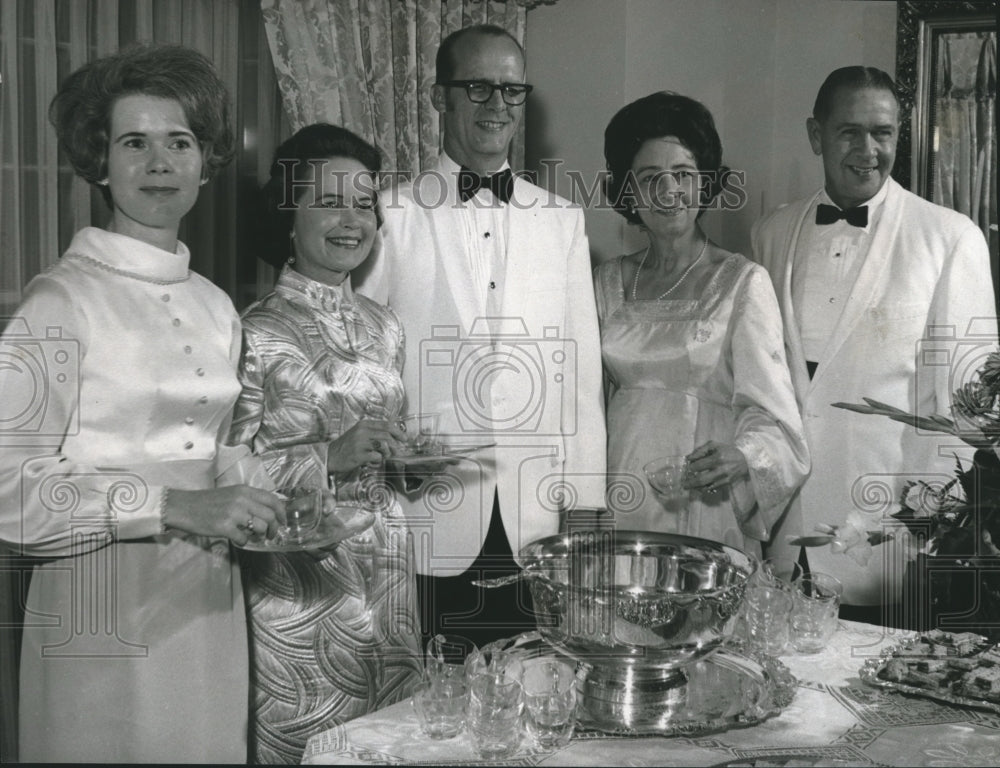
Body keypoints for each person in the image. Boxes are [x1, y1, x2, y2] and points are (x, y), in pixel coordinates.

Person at [0, 45, 286, 763]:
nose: (159, 162)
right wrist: (169, 508)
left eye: (179, 142)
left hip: (207, 598)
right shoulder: (59, 302)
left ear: (205, 161)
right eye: (135, 142)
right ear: (99, 161)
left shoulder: (216, 304)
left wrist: (271, 500)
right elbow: (6, 487)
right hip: (99, 603)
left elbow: (210, 450)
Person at [354, 24, 606, 649]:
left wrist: (584, 504)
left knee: (533, 693)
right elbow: (361, 366)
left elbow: (580, 376)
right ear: (440, 97)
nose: (497, 106)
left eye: (511, 90)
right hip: (425, 514)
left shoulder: (563, 220)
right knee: (431, 707)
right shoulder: (388, 214)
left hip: (537, 518)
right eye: (478, 87)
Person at [752, 66, 998, 623]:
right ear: (816, 135)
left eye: (883, 133)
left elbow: (970, 414)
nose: (869, 149)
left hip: (886, 543)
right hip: (782, 543)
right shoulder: (771, 233)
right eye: (849, 132)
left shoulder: (950, 238)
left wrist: (926, 530)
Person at [229, 123, 423, 764]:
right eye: (330, 201)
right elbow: (222, 476)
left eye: (364, 203)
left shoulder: (383, 326)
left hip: (389, 569)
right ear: (289, 214)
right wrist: (325, 459)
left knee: (398, 738)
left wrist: (405, 451)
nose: (352, 220)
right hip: (298, 591)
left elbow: (388, 434)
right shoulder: (250, 333)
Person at [597, 91, 809, 556]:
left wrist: (744, 456)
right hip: (620, 496)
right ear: (627, 190)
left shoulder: (743, 282)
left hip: (705, 503)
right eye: (650, 177)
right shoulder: (606, 282)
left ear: (706, 183)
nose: (669, 192)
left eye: (683, 174)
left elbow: (775, 419)